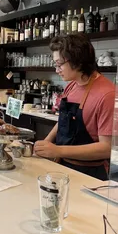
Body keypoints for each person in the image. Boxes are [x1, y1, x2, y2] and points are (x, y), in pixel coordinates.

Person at [34, 34, 115, 180]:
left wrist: (58, 150)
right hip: (62, 166)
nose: (56, 70)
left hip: (90, 174)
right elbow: (64, 120)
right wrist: (47, 141)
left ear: (78, 61)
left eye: (59, 64)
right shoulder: (71, 86)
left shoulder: (107, 94)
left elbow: (106, 148)